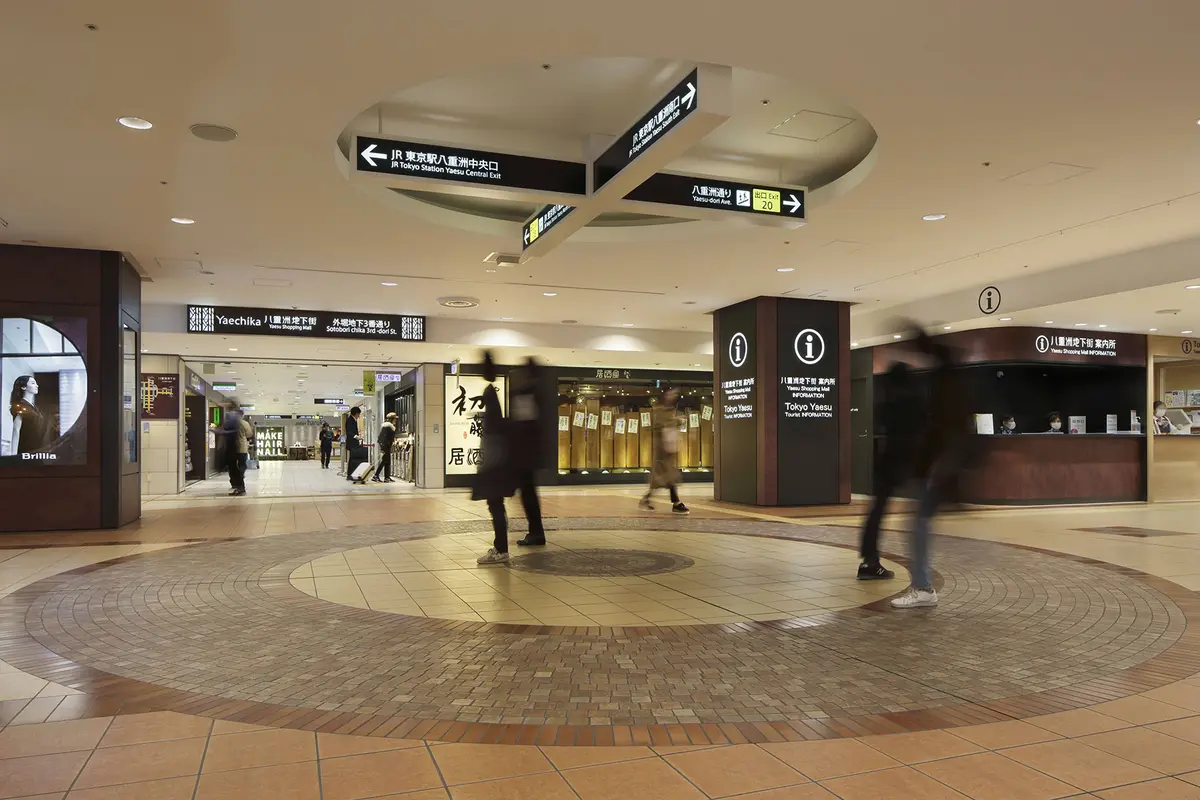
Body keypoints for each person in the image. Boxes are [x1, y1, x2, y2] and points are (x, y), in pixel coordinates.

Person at [891, 327, 971, 609]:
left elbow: (948, 427)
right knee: (917, 524)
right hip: (939, 464)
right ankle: (922, 585)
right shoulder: (949, 377)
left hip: (939, 465)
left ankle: (923, 587)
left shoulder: (946, 380)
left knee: (917, 525)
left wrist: (940, 464)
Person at [856, 361, 921, 581]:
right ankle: (919, 577)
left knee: (876, 512)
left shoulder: (887, 403)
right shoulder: (911, 403)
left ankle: (869, 560)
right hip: (903, 462)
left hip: (887, 462)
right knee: (919, 516)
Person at [474, 353, 517, 565]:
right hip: (496, 462)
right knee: (495, 505)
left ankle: (501, 549)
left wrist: (486, 464)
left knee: (495, 505)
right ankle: (500, 547)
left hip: (494, 464)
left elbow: (493, 435)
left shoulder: (490, 395)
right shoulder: (492, 395)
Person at [510, 357, 547, 546]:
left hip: (525, 455)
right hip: (529, 454)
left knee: (528, 494)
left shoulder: (527, 393)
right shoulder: (538, 392)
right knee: (529, 492)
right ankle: (536, 531)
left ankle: (536, 532)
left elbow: (523, 424)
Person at [639, 389, 689, 514]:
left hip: (669, 450)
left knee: (665, 479)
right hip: (662, 452)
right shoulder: (660, 410)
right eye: (670, 393)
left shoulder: (671, 411)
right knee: (667, 478)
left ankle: (648, 499)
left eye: (675, 394)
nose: (672, 396)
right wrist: (677, 421)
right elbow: (660, 426)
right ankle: (676, 503)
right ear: (665, 395)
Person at [214, 403, 252, 496]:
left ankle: (237, 484)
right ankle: (240, 480)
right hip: (242, 447)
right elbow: (249, 434)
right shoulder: (244, 423)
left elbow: (224, 433)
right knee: (241, 465)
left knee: (233, 467)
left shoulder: (229, 421)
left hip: (232, 448)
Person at [7, 375, 48, 457]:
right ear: (23, 387)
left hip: (38, 450)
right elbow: (16, 429)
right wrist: (13, 456)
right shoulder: (20, 405)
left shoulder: (33, 407)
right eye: (33, 383)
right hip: (27, 451)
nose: (37, 385)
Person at [373, 412, 397, 483]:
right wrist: (384, 447)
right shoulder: (388, 427)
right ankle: (376, 475)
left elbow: (381, 438)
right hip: (386, 446)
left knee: (387, 461)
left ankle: (387, 477)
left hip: (386, 445)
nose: (395, 420)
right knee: (384, 461)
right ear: (392, 419)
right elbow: (385, 438)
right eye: (395, 419)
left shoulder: (386, 426)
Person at [345, 407, 366, 480]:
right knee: (352, 459)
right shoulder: (350, 420)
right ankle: (350, 475)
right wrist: (356, 436)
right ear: (356, 413)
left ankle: (350, 474)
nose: (359, 416)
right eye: (358, 414)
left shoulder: (353, 420)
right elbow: (349, 432)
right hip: (352, 443)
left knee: (352, 459)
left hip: (353, 443)